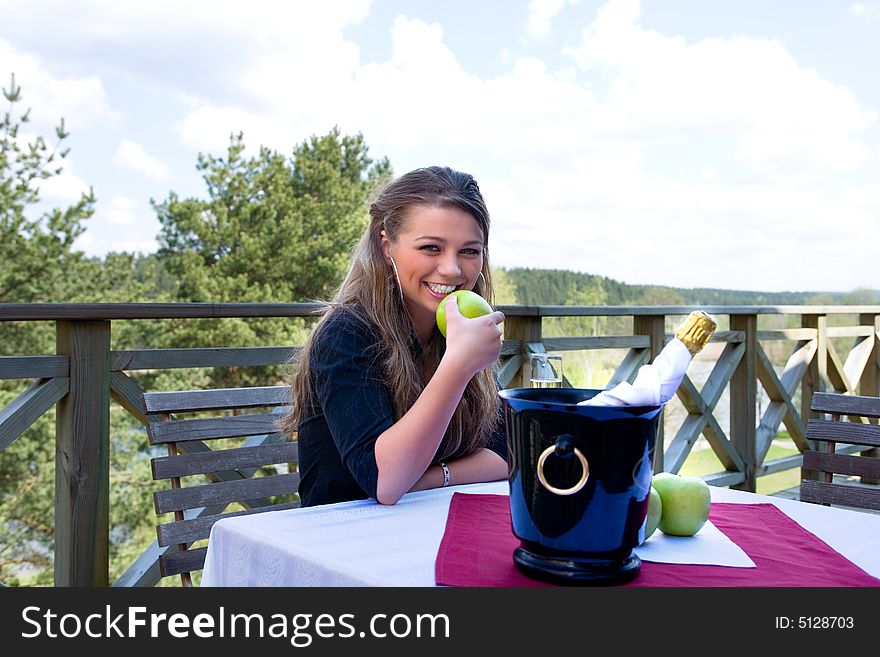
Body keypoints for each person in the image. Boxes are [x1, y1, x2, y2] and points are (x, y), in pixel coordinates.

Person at [282, 166, 508, 506]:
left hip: (429, 522)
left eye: (469, 251)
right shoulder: (347, 333)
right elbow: (385, 480)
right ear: (386, 246)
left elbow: (505, 454)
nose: (452, 269)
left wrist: (420, 480)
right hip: (341, 536)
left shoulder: (458, 327)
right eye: (431, 248)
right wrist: (458, 366)